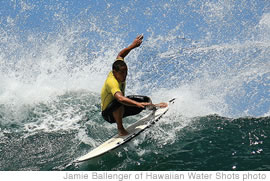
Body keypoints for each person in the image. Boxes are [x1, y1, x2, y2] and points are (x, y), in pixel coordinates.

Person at [101, 34, 167, 136]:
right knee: (118, 102)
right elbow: (121, 99)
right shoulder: (112, 82)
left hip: (121, 108)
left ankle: (154, 107)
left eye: (126, 72)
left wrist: (132, 46)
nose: (125, 76)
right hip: (108, 114)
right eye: (122, 73)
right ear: (114, 72)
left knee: (145, 100)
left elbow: (120, 55)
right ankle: (120, 129)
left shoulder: (118, 65)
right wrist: (136, 104)